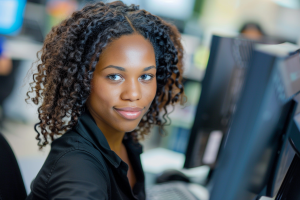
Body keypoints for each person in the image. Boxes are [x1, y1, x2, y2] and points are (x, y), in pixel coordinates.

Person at [25, 1, 184, 200]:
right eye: (115, 76)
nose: (134, 94)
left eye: (145, 77)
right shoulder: (77, 167)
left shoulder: (124, 141)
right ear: (83, 79)